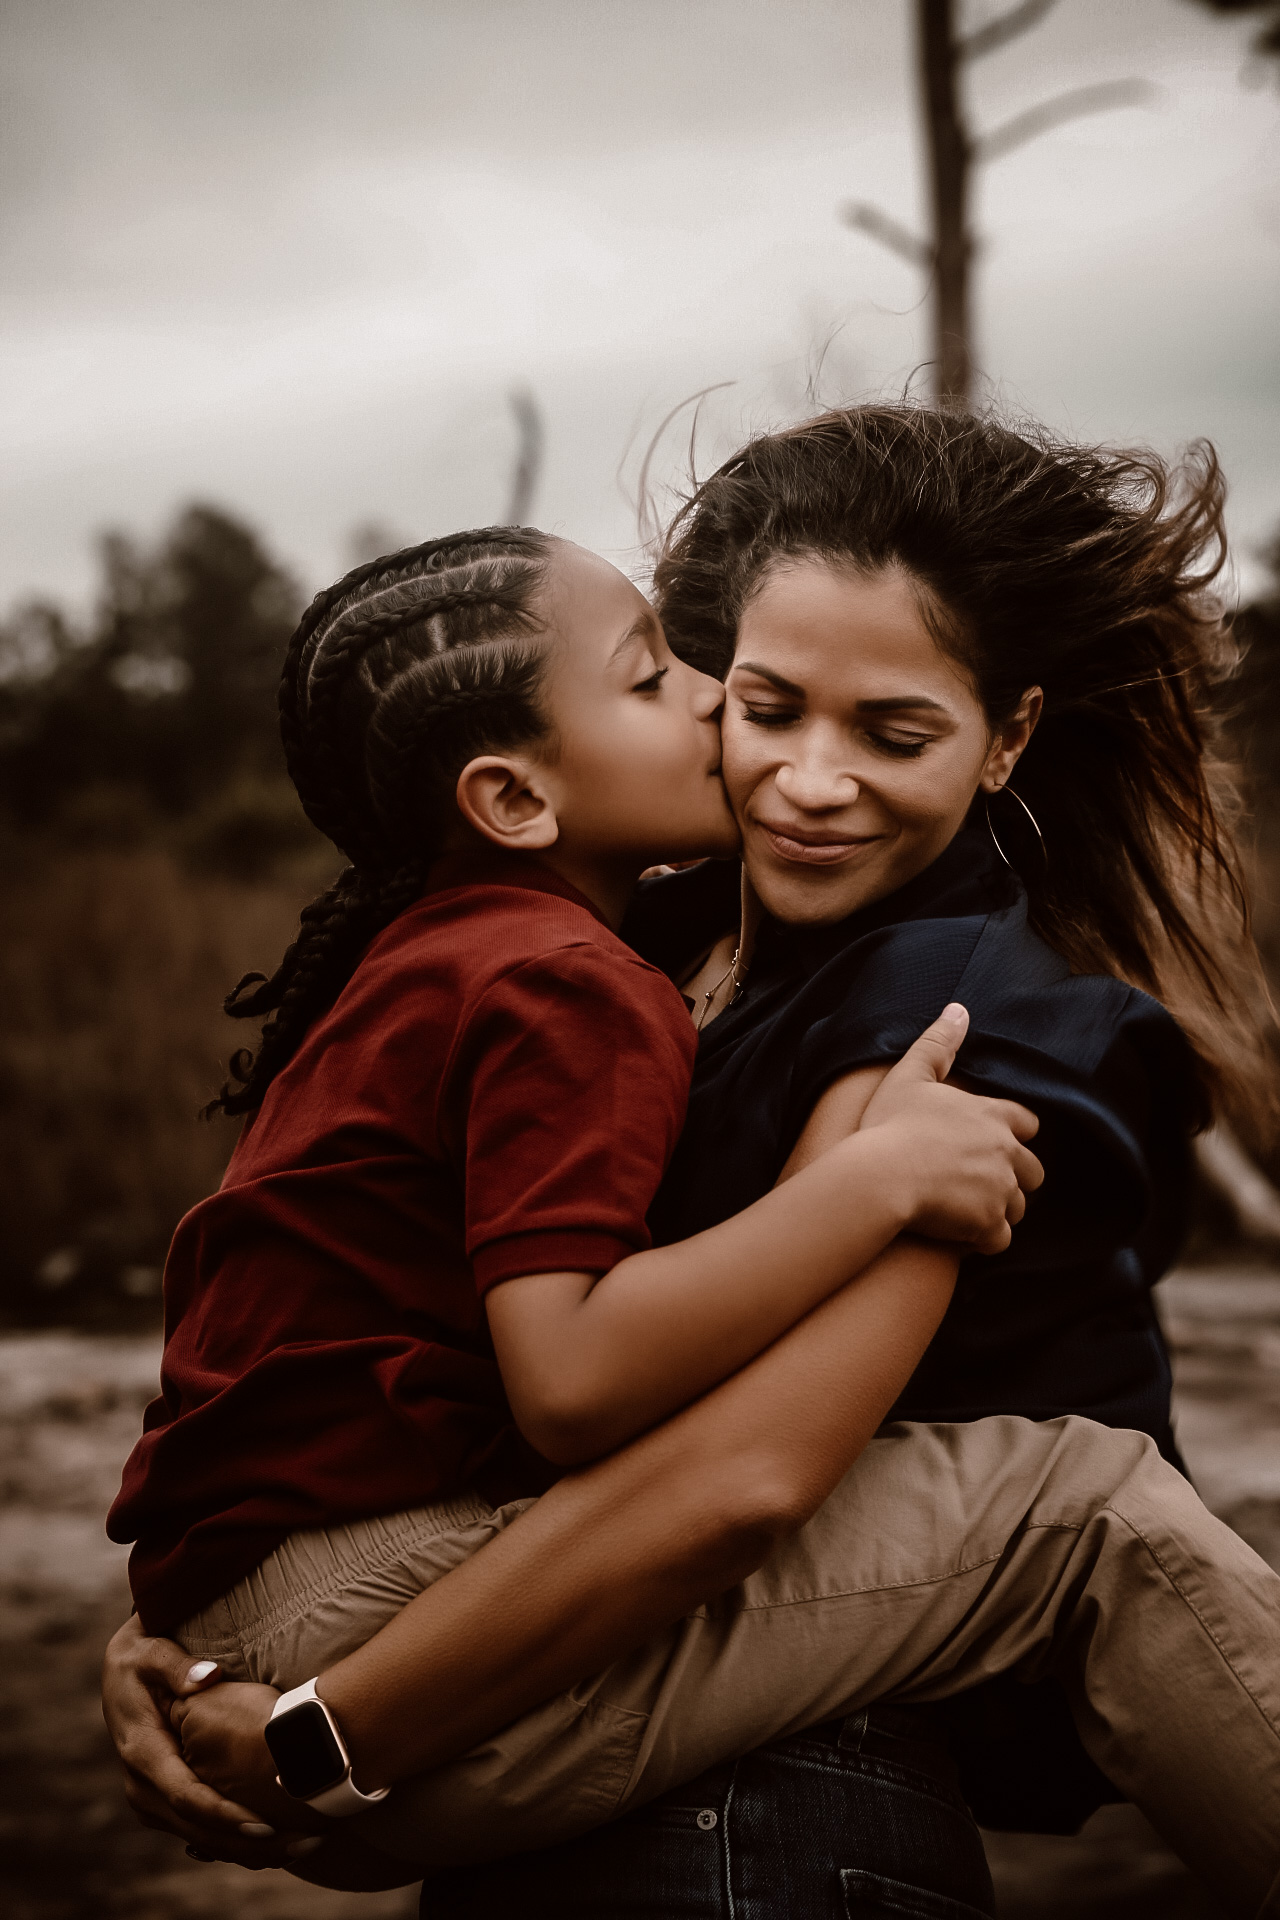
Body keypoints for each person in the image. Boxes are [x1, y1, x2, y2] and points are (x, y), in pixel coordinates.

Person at [103, 413, 1280, 1917]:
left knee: (1087, 1507)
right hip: (490, 1661)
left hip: (747, 1790)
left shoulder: (968, 1026)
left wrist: (316, 1735)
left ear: (1011, 737)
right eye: (763, 705)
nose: (804, 780)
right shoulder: (620, 947)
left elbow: (743, 1472)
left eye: (893, 733)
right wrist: (196, 1637)